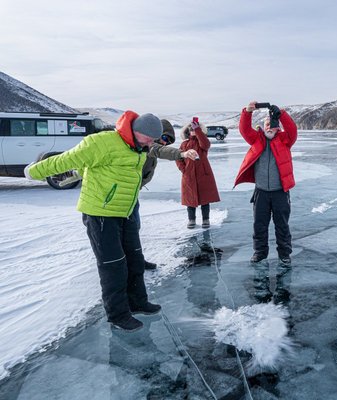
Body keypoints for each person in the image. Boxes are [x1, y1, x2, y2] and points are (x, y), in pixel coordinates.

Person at [24, 111, 164, 332]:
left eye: (153, 140)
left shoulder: (138, 147)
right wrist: (33, 171)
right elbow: (67, 159)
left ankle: (137, 302)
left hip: (125, 212)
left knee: (135, 260)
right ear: (136, 131)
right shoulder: (102, 141)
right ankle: (118, 315)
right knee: (113, 266)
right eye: (149, 138)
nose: (151, 143)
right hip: (101, 214)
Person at [234, 101, 297, 264]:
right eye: (267, 124)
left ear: (278, 127)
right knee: (259, 225)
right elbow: (244, 130)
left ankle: (284, 254)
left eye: (272, 124)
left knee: (282, 225)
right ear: (263, 126)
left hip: (280, 192)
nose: (269, 127)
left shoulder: (285, 140)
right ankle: (260, 252)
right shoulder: (257, 139)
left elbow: (292, 130)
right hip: (261, 192)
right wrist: (247, 112)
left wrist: (282, 114)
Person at [133, 119, 199, 270]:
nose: (164, 143)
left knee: (133, 228)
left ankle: (136, 260)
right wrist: (182, 154)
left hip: (132, 193)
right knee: (128, 229)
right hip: (119, 195)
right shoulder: (147, 145)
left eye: (168, 141)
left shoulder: (149, 147)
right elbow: (160, 150)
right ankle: (130, 263)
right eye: (164, 138)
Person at [176, 119, 220, 229]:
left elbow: (206, 144)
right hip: (188, 175)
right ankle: (191, 220)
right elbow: (178, 157)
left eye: (195, 129)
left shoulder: (202, 143)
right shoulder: (184, 144)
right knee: (190, 199)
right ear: (187, 131)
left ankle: (206, 219)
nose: (193, 131)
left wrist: (198, 130)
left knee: (205, 199)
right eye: (191, 129)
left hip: (203, 174)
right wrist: (184, 169)